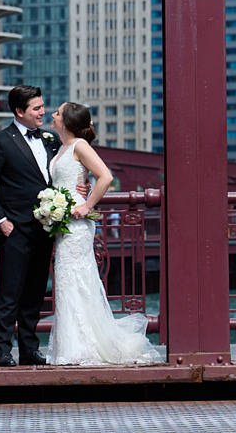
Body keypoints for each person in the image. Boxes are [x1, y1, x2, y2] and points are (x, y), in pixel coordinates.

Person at [0, 84, 83, 367]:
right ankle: (1, 352)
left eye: (43, 106)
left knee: (35, 293)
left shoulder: (49, 139)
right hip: (15, 230)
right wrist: (1, 222)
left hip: (45, 229)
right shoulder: (0, 141)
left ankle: (29, 349)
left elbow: (64, 171)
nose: (43, 112)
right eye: (36, 108)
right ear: (19, 112)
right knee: (9, 293)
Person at [45, 101, 159, 366]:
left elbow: (106, 176)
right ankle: (72, 344)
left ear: (68, 121)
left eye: (58, 113)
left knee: (76, 280)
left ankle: (79, 348)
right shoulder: (62, 147)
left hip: (76, 223)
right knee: (68, 281)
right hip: (64, 222)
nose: (53, 114)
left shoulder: (80, 146)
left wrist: (87, 206)